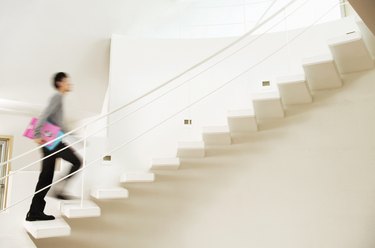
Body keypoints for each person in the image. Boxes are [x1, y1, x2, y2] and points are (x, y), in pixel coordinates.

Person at [26, 72, 82, 221]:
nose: (70, 84)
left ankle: (34, 212)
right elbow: (44, 115)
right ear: (60, 83)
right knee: (77, 161)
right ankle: (59, 191)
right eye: (67, 81)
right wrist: (37, 134)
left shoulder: (60, 99)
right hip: (52, 141)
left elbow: (59, 124)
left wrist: (74, 136)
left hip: (52, 140)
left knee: (46, 177)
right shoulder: (57, 97)